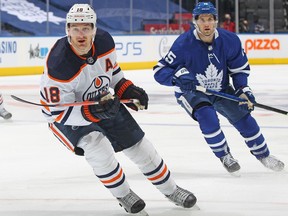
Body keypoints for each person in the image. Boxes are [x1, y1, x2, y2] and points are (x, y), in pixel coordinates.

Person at [40, 3, 197, 214]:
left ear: (94, 29)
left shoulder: (105, 42)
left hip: (102, 101)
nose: (81, 34)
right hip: (67, 117)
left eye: (86, 28)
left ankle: (171, 190)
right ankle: (124, 195)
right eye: (75, 28)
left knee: (141, 147)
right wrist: (92, 112)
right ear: (67, 30)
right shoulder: (59, 64)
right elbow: (57, 112)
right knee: (98, 147)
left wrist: (127, 89)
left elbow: (112, 74)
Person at [153, 2, 284, 175]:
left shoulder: (230, 40)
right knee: (207, 117)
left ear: (216, 21)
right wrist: (179, 79)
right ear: (195, 22)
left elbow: (239, 71)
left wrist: (244, 90)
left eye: (210, 19)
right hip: (193, 92)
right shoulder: (183, 43)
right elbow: (160, 71)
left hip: (221, 89)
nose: (206, 24)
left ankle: (264, 155)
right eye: (202, 20)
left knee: (244, 118)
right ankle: (225, 156)